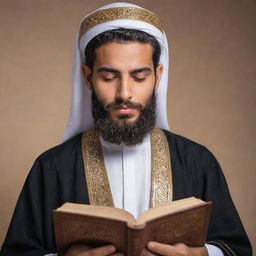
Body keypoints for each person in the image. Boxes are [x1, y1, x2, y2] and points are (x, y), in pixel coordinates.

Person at [0, 2, 252, 256]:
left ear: (158, 76)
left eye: (139, 77)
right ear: (88, 77)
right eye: (109, 77)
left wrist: (201, 254)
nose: (124, 93)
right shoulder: (51, 168)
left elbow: (236, 248)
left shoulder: (197, 161)